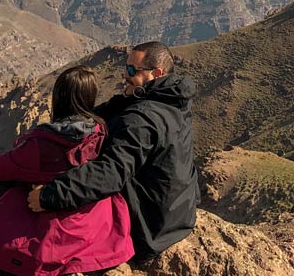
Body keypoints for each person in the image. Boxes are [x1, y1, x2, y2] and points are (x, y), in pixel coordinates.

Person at [0, 65, 134, 276]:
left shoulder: (42, 145)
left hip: (55, 235)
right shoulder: (100, 132)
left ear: (58, 98)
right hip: (94, 230)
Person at [27, 42, 199, 260]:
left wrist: (49, 195)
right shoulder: (171, 101)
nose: (124, 75)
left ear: (156, 73)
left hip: (148, 230)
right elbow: (106, 114)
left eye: (131, 70)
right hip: (177, 217)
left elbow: (110, 173)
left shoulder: (141, 119)